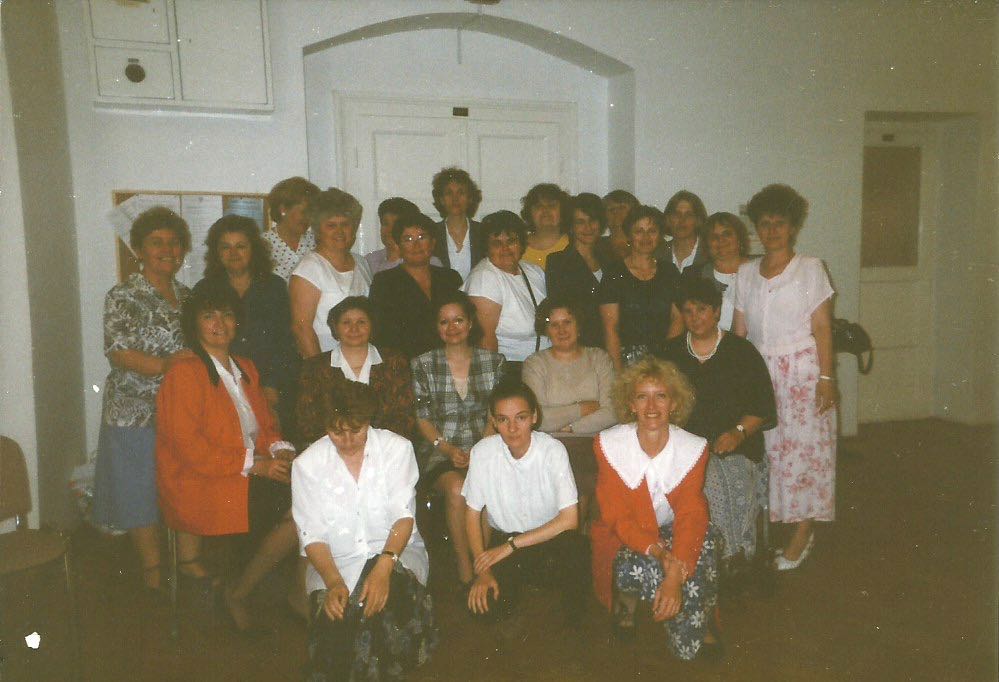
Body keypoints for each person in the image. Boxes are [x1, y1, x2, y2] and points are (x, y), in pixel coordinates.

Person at [156, 284, 300, 630]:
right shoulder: (184, 373)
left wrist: (280, 449)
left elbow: (264, 426)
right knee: (299, 512)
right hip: (203, 481)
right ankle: (240, 590)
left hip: (245, 471)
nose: (219, 323)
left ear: (237, 322)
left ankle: (279, 588)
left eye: (227, 315)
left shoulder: (245, 367)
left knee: (313, 498)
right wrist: (257, 465)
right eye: (209, 316)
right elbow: (189, 449)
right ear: (195, 324)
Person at [292, 381, 437, 681]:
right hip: (333, 563)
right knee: (342, 618)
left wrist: (383, 569)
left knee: (377, 610)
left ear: (369, 421)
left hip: (395, 552)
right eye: (337, 432)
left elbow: (403, 517)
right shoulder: (307, 464)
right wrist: (334, 582)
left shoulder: (397, 449)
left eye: (356, 431)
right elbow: (312, 535)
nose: (347, 441)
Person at [733, 184, 837, 571]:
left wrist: (827, 378)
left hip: (803, 372)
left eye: (780, 223)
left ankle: (802, 532)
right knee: (772, 452)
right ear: (756, 228)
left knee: (806, 454)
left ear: (793, 227)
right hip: (761, 371)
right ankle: (776, 522)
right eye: (765, 223)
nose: (772, 230)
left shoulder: (810, 268)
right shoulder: (746, 273)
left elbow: (822, 327)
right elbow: (739, 333)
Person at [591, 357, 720, 660]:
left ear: (673, 403)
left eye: (660, 395)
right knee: (629, 558)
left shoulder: (693, 448)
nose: (651, 406)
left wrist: (674, 576)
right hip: (626, 532)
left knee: (707, 541)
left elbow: (691, 512)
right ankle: (627, 603)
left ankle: (698, 615)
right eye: (642, 396)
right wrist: (661, 553)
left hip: (673, 530)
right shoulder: (608, 445)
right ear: (630, 404)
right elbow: (617, 517)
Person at [93, 206, 193, 594]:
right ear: (138, 250)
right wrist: (169, 366)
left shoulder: (188, 296)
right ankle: (153, 573)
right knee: (138, 490)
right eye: (156, 242)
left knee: (180, 485)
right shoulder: (122, 295)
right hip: (133, 410)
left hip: (180, 408)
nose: (167, 250)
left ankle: (186, 564)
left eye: (174, 242)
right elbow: (118, 352)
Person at [657, 278, 776, 570]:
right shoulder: (669, 354)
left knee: (717, 483)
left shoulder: (742, 352)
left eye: (702, 309)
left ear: (717, 311)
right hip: (682, 448)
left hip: (732, 446)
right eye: (688, 311)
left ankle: (728, 560)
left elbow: (761, 408)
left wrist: (737, 432)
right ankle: (686, 562)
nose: (695, 317)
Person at [462, 383, 588, 622]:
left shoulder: (552, 450)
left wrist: (511, 546)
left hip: (548, 540)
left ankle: (571, 618)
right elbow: (471, 514)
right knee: (482, 610)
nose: (512, 428)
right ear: (493, 421)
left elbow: (570, 520)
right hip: (505, 542)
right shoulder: (482, 452)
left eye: (520, 418)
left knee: (577, 549)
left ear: (534, 417)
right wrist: (483, 571)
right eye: (503, 419)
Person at [410, 291, 506, 587]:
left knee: (482, 484)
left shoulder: (493, 361)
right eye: (444, 322)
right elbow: (422, 418)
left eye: (458, 320)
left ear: (470, 323)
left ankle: (484, 566)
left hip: (485, 445)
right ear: (436, 327)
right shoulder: (423, 363)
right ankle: (465, 567)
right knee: (457, 487)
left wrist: (481, 449)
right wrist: (449, 449)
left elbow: (497, 413)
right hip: (439, 449)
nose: (452, 328)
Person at [194, 214, 298, 430]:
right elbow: (198, 345)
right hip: (221, 388)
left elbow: (285, 343)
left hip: (271, 387)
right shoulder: (204, 289)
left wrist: (271, 386)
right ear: (216, 253)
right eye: (225, 247)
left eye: (241, 246)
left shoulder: (274, 287)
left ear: (254, 250)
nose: (233, 253)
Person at [523, 298, 616, 527]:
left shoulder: (599, 358)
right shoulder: (535, 364)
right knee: (577, 477)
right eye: (554, 325)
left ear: (579, 325)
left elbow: (613, 411)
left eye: (567, 322)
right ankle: (573, 536)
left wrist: (573, 426)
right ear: (545, 330)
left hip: (597, 441)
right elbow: (537, 418)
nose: (562, 330)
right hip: (551, 443)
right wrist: (582, 408)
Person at [296, 296, 416, 447]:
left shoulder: (394, 361)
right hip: (332, 447)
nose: (354, 329)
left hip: (385, 447)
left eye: (361, 322)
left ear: (372, 326)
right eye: (346, 322)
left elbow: (404, 415)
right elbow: (308, 420)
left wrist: (376, 445)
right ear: (335, 327)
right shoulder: (315, 367)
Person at [464, 210, 550, 378]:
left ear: (521, 244)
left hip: (544, 365)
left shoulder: (534, 271)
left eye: (511, 241)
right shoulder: (484, 278)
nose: (505, 249)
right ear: (486, 248)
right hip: (511, 371)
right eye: (496, 243)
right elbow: (485, 342)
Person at [598, 205, 684, 369]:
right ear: (629, 235)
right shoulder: (614, 273)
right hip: (626, 362)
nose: (646, 237)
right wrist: (619, 373)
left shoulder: (669, 272)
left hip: (664, 360)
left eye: (652, 231)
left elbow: (678, 319)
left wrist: (665, 362)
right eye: (639, 231)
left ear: (660, 235)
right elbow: (610, 329)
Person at [289, 188, 372, 357]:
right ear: (318, 230)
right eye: (331, 225)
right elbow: (302, 328)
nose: (339, 231)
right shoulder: (309, 269)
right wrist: (321, 369)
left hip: (360, 358)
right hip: (326, 359)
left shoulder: (362, 263)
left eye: (345, 224)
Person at [369, 211, 462, 359]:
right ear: (399, 246)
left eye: (422, 237)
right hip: (404, 363)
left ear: (432, 243)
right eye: (408, 239)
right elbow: (381, 334)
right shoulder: (385, 282)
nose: (416, 245)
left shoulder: (450, 278)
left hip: (450, 360)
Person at [546, 193, 614, 348]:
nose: (588, 227)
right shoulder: (558, 262)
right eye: (580, 222)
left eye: (592, 220)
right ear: (571, 227)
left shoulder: (610, 259)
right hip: (577, 346)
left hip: (610, 342)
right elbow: (560, 310)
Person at [681, 212, 753, 331]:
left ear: (739, 238)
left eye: (726, 234)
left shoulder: (758, 271)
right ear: (707, 244)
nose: (721, 240)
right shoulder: (692, 276)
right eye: (713, 237)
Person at [430, 167, 485, 281]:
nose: (455, 198)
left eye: (461, 193)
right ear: (441, 199)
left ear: (470, 198)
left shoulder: (483, 232)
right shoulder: (431, 233)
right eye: (449, 193)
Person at [365, 197, 442, 274]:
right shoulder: (369, 261)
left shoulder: (430, 262)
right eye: (385, 224)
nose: (389, 230)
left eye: (395, 224)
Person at [264, 176, 321, 280]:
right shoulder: (262, 245)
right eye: (304, 212)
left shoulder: (318, 241)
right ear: (283, 210)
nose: (308, 218)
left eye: (311, 213)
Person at [520, 183, 571, 270]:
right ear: (529, 213)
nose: (545, 210)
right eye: (538, 206)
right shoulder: (517, 247)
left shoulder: (574, 245)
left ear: (563, 211)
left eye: (552, 205)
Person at [663, 190, 710, 272]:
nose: (682, 220)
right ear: (668, 219)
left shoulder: (711, 252)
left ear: (698, 220)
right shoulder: (658, 254)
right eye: (677, 214)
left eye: (688, 215)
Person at [602, 189, 639, 261]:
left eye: (622, 208)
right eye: (611, 209)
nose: (616, 212)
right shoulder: (596, 246)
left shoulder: (644, 243)